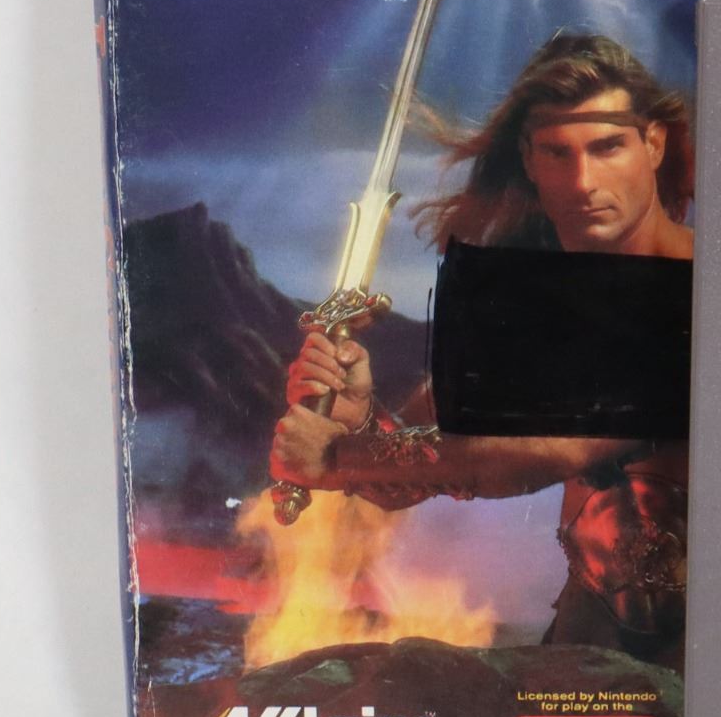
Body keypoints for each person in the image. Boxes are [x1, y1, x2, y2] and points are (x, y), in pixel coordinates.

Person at [268, 33, 695, 668]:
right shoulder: (528, 306)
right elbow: (410, 475)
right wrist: (359, 418)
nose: (583, 181)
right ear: (529, 159)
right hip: (585, 651)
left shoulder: (704, 286)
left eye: (608, 147)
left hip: (714, 652)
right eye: (558, 152)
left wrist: (338, 457)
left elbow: (548, 450)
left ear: (653, 144)